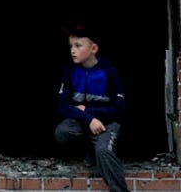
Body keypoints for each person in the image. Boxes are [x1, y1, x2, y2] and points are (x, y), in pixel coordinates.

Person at [54, 24, 131, 192]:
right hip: (85, 121)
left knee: (103, 151)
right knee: (62, 132)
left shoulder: (108, 72)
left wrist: (89, 112)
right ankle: (90, 149)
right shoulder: (70, 71)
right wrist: (89, 119)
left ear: (93, 48)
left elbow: (120, 109)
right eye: (71, 46)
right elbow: (63, 106)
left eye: (78, 45)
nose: (72, 50)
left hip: (107, 124)